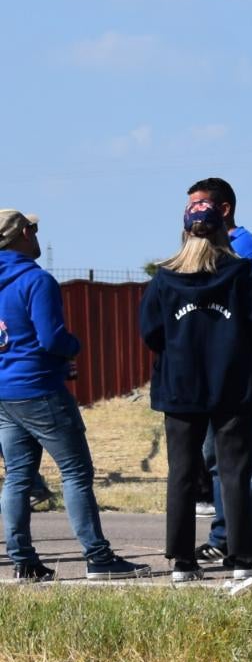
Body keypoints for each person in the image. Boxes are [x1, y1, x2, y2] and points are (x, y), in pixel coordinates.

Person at [0, 210, 145, 581]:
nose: (35, 234)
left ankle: (23, 560)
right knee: (76, 472)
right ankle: (98, 557)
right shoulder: (36, 280)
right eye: (31, 229)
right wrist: (74, 345)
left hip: (4, 392)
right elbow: (52, 339)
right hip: (40, 388)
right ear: (20, 235)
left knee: (17, 476)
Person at [142, 196, 252, 588]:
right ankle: (241, 558)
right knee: (234, 471)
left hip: (180, 387)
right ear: (220, 230)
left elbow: (150, 333)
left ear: (185, 232)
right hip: (232, 384)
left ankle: (182, 561)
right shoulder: (240, 272)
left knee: (182, 473)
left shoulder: (165, 278)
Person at [189, 177, 252, 571]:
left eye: (201, 206)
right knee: (216, 458)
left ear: (224, 209)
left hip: (247, 371)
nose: (193, 215)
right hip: (212, 375)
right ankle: (223, 535)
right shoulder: (199, 251)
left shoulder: (248, 251)